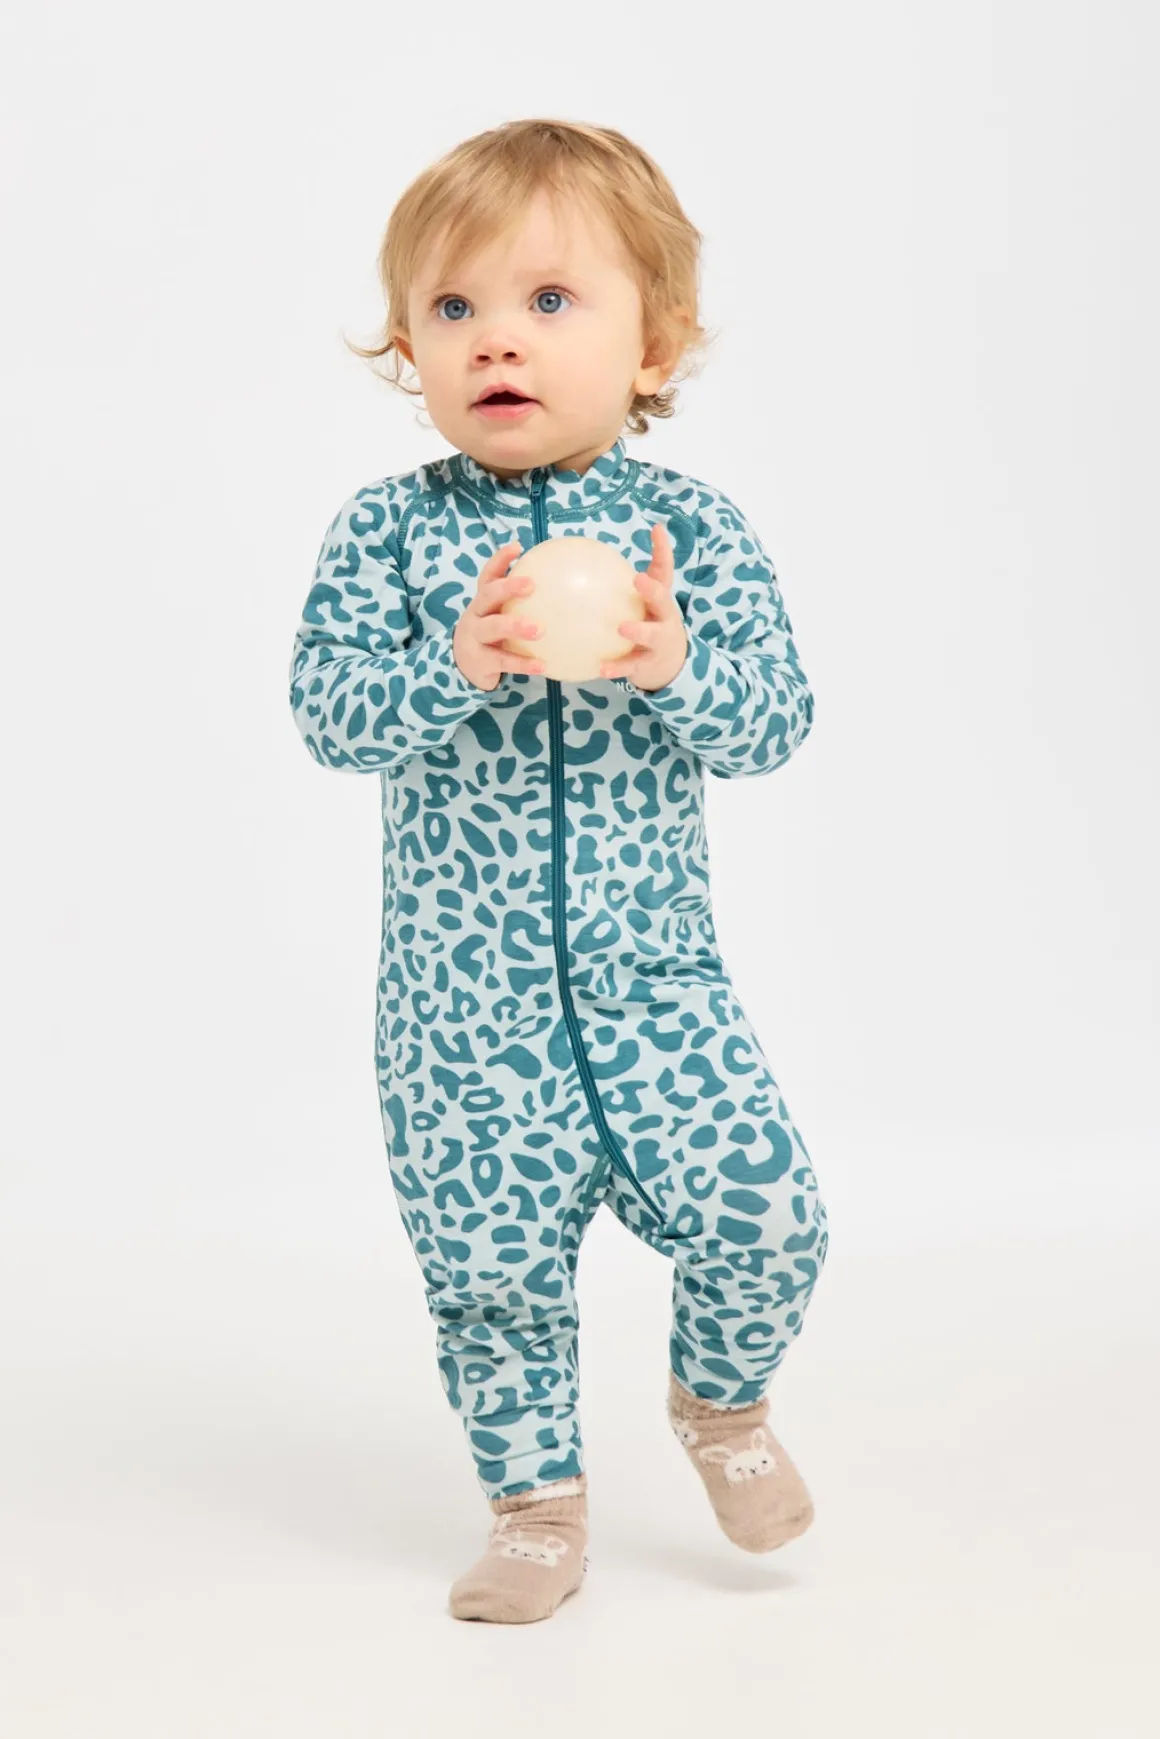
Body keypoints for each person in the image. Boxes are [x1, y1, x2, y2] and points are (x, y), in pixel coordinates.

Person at [287, 117, 830, 1625]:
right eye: (452, 307)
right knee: (492, 1276)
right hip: (464, 1014)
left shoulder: (688, 533)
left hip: (657, 990)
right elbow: (327, 714)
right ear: (408, 346)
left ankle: (722, 1403)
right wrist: (450, 665)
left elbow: (778, 721)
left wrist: (677, 665)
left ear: (655, 345)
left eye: (546, 300)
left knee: (768, 1214)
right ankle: (535, 1507)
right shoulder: (388, 534)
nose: (495, 339)